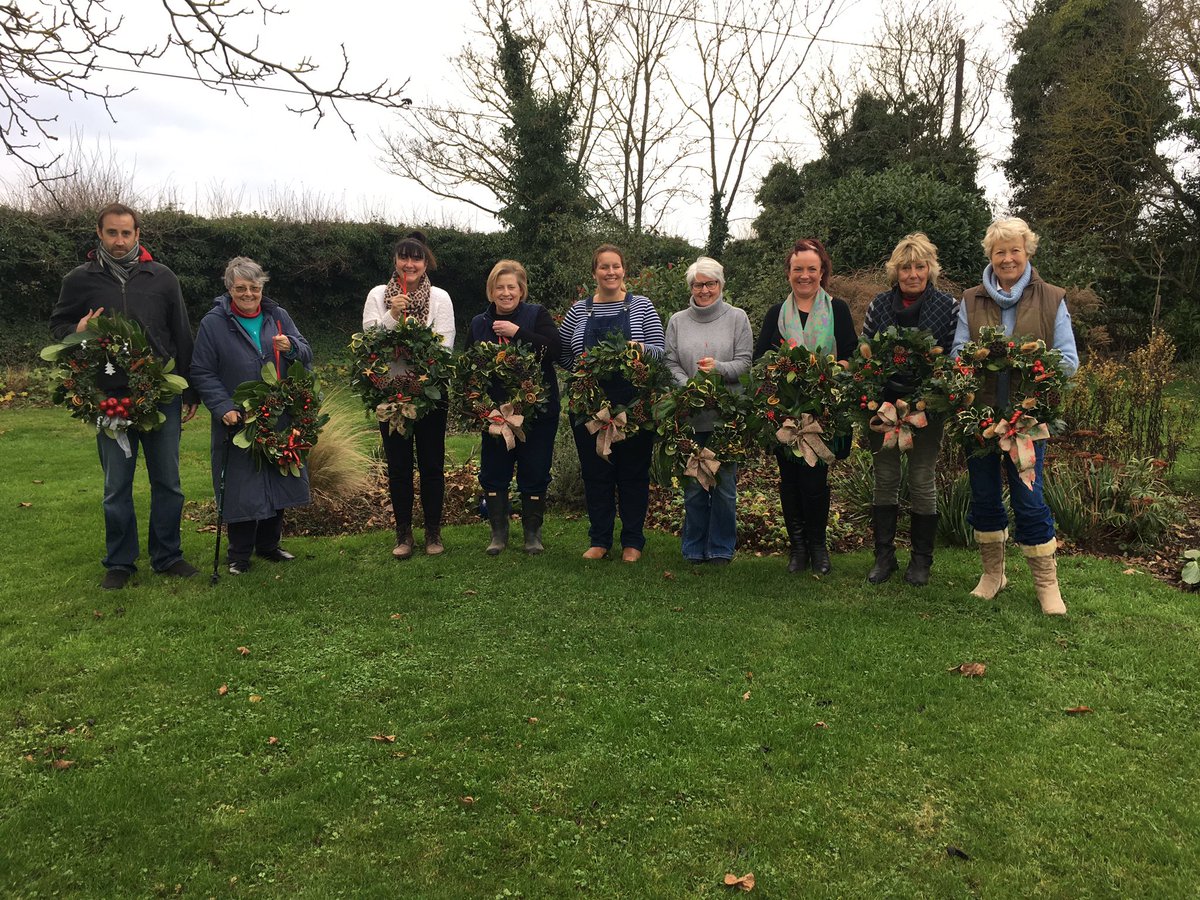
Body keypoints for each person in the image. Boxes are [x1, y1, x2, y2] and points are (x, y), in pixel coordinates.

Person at [49, 203, 200, 590]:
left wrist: (191, 390)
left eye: (126, 233)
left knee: (168, 482)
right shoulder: (80, 279)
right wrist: (76, 329)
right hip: (111, 397)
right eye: (112, 233)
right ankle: (120, 562)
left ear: (137, 234)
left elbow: (181, 333)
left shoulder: (162, 277)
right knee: (117, 484)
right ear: (99, 233)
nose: (119, 241)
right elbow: (59, 325)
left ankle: (168, 555)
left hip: (160, 391)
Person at [951, 217, 1078, 615]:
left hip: (1027, 423)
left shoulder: (1052, 298)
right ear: (990, 255)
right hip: (982, 421)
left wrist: (1034, 364)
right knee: (986, 497)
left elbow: (1069, 360)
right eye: (1000, 251)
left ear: (1028, 253)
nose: (1008, 258)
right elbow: (957, 355)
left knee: (1029, 499)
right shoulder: (970, 300)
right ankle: (994, 575)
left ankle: (1047, 585)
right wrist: (972, 364)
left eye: (1015, 251)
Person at [190, 257, 313, 575]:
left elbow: (305, 351)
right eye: (241, 288)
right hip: (239, 418)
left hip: (278, 416)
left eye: (254, 288)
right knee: (240, 485)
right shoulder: (213, 323)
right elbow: (202, 371)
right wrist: (223, 407)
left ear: (262, 288)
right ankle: (239, 555)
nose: (248, 294)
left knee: (278, 476)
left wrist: (292, 349)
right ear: (230, 288)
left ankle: (269, 545)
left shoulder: (279, 316)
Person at [860, 233, 959, 587]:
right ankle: (883, 557)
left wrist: (927, 399)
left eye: (920, 266)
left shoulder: (948, 308)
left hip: (926, 409)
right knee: (885, 478)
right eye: (905, 267)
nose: (912, 274)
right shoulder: (879, 306)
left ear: (930, 269)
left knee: (921, 478)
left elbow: (951, 360)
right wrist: (874, 396)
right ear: (895, 271)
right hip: (884, 407)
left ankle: (921, 561)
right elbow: (866, 355)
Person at [754, 238, 856, 576]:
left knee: (815, 482)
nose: (805, 275)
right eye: (798, 269)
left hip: (822, 415)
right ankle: (797, 548)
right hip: (784, 417)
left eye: (812, 269)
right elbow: (759, 362)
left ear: (822, 271)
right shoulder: (776, 314)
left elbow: (852, 356)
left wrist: (828, 374)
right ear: (789, 273)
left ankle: (818, 547)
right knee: (789, 482)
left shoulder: (837, 310)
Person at [560, 243, 666, 562]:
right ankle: (600, 540)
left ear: (624, 271)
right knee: (597, 474)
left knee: (633, 474)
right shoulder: (579, 310)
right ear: (594, 272)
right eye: (604, 267)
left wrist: (640, 349)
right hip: (590, 406)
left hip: (633, 406)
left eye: (616, 266)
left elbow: (661, 351)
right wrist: (582, 373)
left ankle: (633, 541)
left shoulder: (642, 307)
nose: (610, 272)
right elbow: (563, 352)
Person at [362, 232, 456, 559]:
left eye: (416, 258)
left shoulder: (440, 298)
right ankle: (403, 534)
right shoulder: (378, 295)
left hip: (430, 391)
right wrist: (392, 316)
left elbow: (444, 345)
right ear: (395, 261)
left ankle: (433, 532)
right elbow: (370, 340)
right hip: (391, 391)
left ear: (425, 262)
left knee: (431, 464)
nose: (410, 264)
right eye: (404, 257)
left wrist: (420, 377)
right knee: (398, 465)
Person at [466, 260, 561, 555]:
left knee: (534, 469)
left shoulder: (536, 315)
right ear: (491, 291)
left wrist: (517, 331)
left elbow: (555, 349)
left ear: (521, 290)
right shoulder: (479, 323)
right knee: (495, 471)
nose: (506, 293)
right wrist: (478, 406)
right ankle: (498, 534)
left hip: (536, 412)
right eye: (500, 287)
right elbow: (469, 365)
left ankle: (532, 535)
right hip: (495, 414)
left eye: (512, 287)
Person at [664, 256, 753, 565]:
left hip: (725, 419)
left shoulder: (737, 318)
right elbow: (669, 362)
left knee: (725, 487)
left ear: (721, 285)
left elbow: (744, 363)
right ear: (691, 287)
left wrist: (718, 369)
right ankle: (693, 547)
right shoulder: (677, 320)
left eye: (710, 283)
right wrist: (687, 385)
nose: (703, 290)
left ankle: (720, 548)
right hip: (689, 417)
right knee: (694, 486)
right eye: (698, 284)